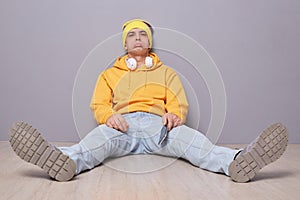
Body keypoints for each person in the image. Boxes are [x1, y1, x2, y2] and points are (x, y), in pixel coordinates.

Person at [9, 19, 288, 183]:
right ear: (125, 45)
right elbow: (99, 103)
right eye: (132, 34)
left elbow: (178, 101)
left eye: (143, 33)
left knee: (196, 144)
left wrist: (175, 115)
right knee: (94, 144)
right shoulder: (109, 74)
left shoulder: (166, 72)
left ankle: (238, 162)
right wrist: (109, 117)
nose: (138, 38)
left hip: (160, 129)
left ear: (150, 41)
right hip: (122, 128)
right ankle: (62, 161)